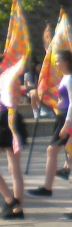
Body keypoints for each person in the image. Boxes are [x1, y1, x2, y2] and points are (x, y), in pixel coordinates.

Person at [28, 51, 72, 197]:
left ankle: (47, 187)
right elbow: (63, 100)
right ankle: (51, 184)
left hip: (65, 118)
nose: (56, 64)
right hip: (62, 116)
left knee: (53, 151)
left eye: (59, 61)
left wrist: (67, 124)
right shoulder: (65, 78)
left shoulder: (69, 79)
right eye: (55, 61)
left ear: (66, 62)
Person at [0, 88, 27, 219]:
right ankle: (16, 206)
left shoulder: (7, 77)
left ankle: (12, 202)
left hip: (6, 120)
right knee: (14, 168)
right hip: (11, 119)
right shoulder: (10, 76)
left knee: (14, 168)